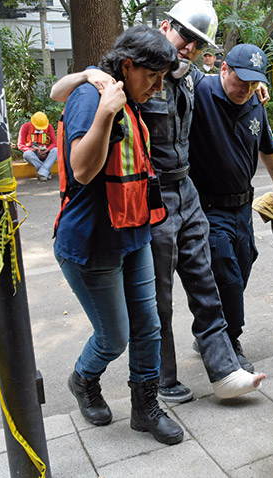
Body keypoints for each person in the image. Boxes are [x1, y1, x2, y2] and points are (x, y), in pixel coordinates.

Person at [51, 0, 265, 405]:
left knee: (206, 282)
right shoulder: (129, 73)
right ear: (166, 26)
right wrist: (88, 74)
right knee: (158, 293)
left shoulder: (188, 79)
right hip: (149, 193)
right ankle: (163, 378)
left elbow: (230, 89)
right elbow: (62, 93)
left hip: (187, 192)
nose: (189, 48)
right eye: (185, 35)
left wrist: (255, 89)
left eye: (199, 44)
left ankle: (222, 370)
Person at [54, 25, 184, 445]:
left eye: (164, 76)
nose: (158, 85)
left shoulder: (124, 92)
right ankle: (83, 378)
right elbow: (81, 169)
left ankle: (145, 409)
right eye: (153, 75)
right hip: (91, 243)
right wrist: (105, 112)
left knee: (149, 326)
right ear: (127, 66)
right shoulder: (92, 99)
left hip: (133, 233)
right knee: (114, 336)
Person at [188, 44, 273, 369]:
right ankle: (229, 343)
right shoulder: (200, 92)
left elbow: (267, 147)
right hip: (208, 208)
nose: (245, 89)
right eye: (240, 80)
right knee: (228, 276)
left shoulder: (256, 102)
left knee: (244, 263)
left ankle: (210, 327)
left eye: (253, 82)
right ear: (223, 69)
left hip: (243, 208)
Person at [18, 111, 57, 181]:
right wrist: (31, 149)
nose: (40, 129)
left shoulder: (49, 126)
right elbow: (20, 145)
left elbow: (54, 143)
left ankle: (42, 173)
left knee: (56, 151)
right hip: (33, 155)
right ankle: (45, 172)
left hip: (46, 155)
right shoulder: (25, 127)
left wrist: (47, 149)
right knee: (26, 154)